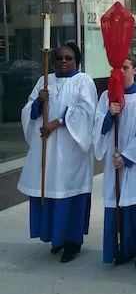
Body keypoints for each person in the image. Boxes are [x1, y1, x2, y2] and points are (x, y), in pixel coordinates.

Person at [17, 42, 98, 263]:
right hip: (47, 147)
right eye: (60, 58)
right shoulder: (45, 80)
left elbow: (87, 112)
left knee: (69, 193)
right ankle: (57, 238)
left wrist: (59, 122)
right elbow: (28, 108)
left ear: (76, 61)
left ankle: (72, 242)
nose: (63, 61)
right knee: (50, 190)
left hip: (71, 150)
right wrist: (37, 104)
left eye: (68, 58)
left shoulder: (83, 81)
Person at [93, 53, 136, 270]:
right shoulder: (106, 97)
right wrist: (110, 114)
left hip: (133, 162)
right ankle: (120, 249)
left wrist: (127, 157)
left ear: (135, 70)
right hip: (113, 159)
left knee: (135, 208)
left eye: (125, 67)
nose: (121, 72)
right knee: (116, 205)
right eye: (117, 68)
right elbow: (98, 125)